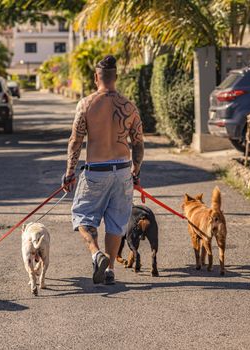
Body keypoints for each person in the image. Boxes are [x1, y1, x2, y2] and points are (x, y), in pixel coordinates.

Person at [62, 55, 144, 285]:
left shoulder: (86, 104)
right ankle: (110, 270)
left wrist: (69, 173)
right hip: (123, 170)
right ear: (116, 77)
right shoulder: (129, 106)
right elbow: (138, 142)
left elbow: (75, 141)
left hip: (96, 170)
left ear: (96, 77)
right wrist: (136, 171)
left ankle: (96, 253)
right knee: (116, 222)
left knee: (83, 216)